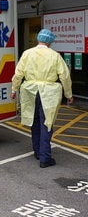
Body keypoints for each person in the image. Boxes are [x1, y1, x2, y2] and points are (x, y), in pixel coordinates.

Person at [10, 28, 73, 168]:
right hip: (48, 93)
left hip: (30, 91)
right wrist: (69, 94)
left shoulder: (27, 53)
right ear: (50, 41)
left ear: (38, 38)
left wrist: (14, 89)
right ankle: (45, 158)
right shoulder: (55, 56)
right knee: (47, 123)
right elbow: (65, 75)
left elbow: (18, 73)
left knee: (35, 122)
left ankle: (38, 152)